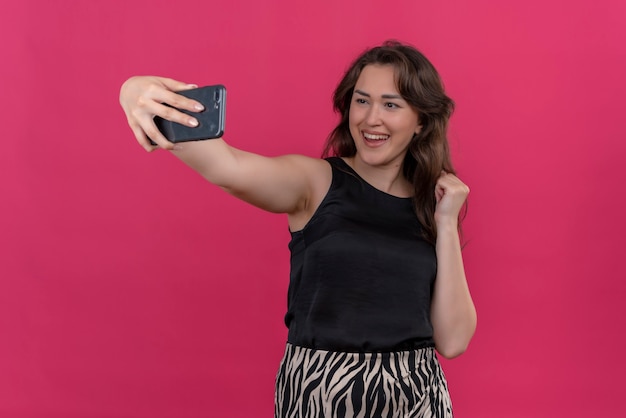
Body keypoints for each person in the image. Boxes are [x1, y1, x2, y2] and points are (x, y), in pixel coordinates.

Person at [120, 40, 476, 418]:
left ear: (421, 120)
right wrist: (133, 91)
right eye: (361, 100)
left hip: (418, 399)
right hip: (321, 394)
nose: (371, 119)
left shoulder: (433, 206)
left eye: (391, 104)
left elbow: (453, 341)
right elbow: (229, 169)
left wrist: (447, 223)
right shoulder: (316, 181)